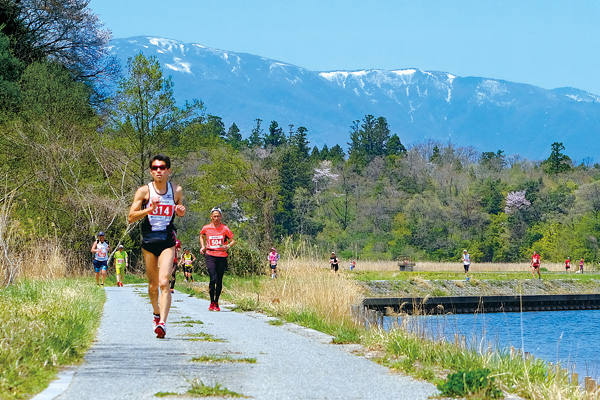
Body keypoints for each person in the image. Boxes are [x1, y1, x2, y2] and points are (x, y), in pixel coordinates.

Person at [128, 155, 186, 339]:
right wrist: (148, 210)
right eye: (154, 168)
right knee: (153, 286)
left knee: (164, 282)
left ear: (169, 170)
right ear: (151, 171)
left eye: (162, 167)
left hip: (167, 241)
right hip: (149, 241)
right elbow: (130, 217)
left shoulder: (176, 190)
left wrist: (181, 211)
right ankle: (156, 313)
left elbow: (179, 210)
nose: (158, 170)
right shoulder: (144, 191)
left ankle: (163, 323)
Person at [199, 207, 235, 312]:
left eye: (218, 216)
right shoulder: (206, 228)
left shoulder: (225, 228)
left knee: (219, 280)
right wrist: (202, 246)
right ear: (211, 217)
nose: (216, 218)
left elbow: (233, 241)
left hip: (222, 256)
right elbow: (201, 236)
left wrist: (227, 246)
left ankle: (217, 302)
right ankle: (211, 302)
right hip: (210, 255)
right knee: (212, 278)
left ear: (221, 217)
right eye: (214, 216)